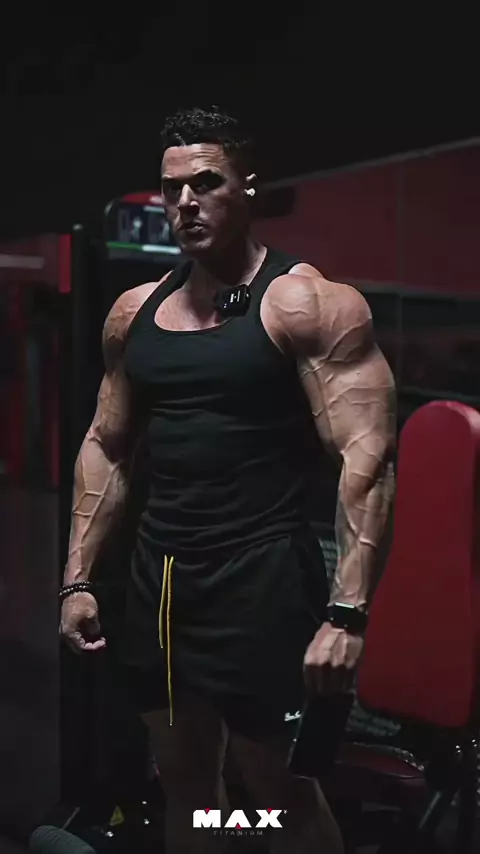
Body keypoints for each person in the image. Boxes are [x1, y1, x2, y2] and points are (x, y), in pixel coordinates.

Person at [60, 106, 396, 853]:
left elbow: (367, 462)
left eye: (206, 183)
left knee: (281, 798)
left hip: (264, 583)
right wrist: (78, 579)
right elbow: (107, 445)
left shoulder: (306, 304)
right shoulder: (134, 313)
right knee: (185, 787)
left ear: (248, 187)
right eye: (171, 187)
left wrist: (347, 617)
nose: (185, 202)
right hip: (162, 584)